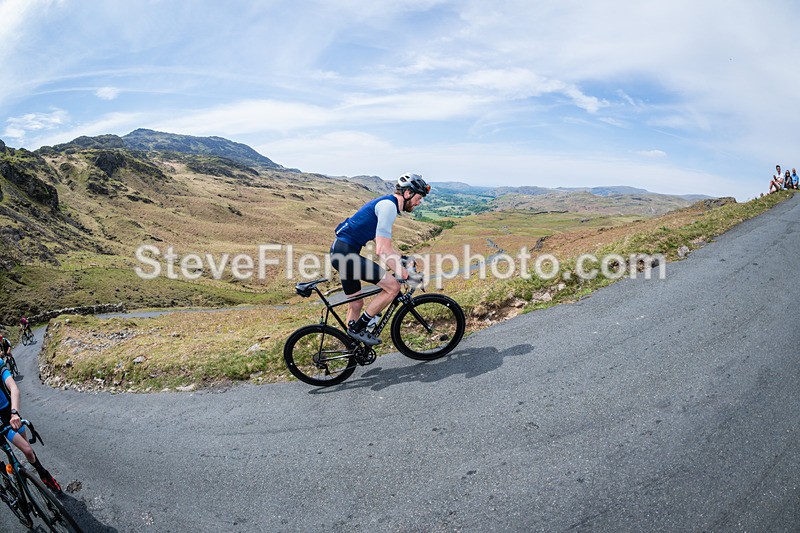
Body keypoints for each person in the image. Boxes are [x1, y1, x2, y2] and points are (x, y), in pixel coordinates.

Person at [330, 172, 430, 345]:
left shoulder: (386, 203)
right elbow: (382, 251)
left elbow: (382, 241)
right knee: (393, 286)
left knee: (356, 304)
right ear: (408, 193)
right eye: (418, 197)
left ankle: (352, 349)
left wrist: (402, 258)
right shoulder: (389, 207)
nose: (419, 202)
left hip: (340, 252)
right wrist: (405, 274)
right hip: (346, 255)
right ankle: (358, 328)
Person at [0, 359, 62, 492]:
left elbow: (14, 388)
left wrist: (14, 412)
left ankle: (43, 474)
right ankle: (5, 478)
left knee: (28, 450)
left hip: (7, 413)